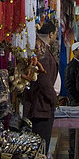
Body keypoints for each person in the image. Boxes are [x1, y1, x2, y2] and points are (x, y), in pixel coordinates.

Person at [23, 21, 58, 149]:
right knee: (41, 146)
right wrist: (53, 98)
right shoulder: (41, 51)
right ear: (50, 34)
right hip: (41, 107)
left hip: (42, 105)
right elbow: (43, 79)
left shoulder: (40, 48)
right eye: (55, 34)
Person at [64, 41, 79, 159]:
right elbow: (69, 86)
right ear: (74, 52)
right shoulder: (71, 67)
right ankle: (73, 152)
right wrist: (77, 99)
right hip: (76, 102)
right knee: (74, 128)